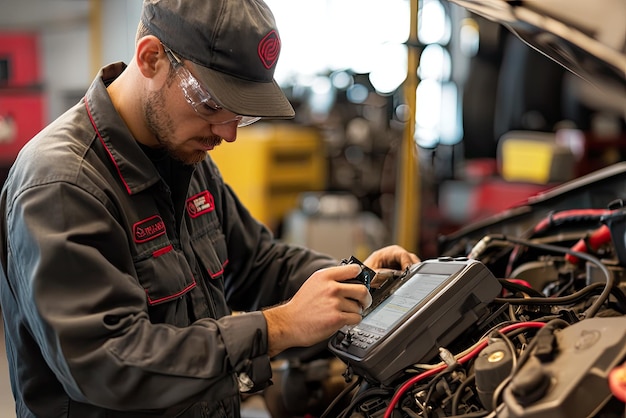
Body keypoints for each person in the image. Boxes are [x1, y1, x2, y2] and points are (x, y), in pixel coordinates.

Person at [0, 0, 419, 417]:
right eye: (213, 104)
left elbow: (257, 262)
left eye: (242, 115)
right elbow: (108, 364)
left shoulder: (184, 155)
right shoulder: (62, 184)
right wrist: (278, 327)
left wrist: (354, 281)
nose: (228, 133)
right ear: (151, 58)